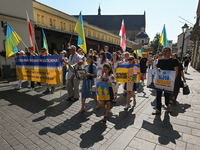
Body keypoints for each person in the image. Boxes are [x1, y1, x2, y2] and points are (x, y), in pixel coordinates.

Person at [152, 47, 179, 115]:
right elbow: (158, 68)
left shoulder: (174, 60)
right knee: (158, 95)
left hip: (168, 82)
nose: (165, 52)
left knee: (167, 96)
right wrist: (158, 69)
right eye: (164, 51)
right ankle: (158, 109)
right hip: (160, 81)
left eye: (166, 51)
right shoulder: (161, 60)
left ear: (170, 52)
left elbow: (176, 71)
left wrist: (173, 81)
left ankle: (167, 104)